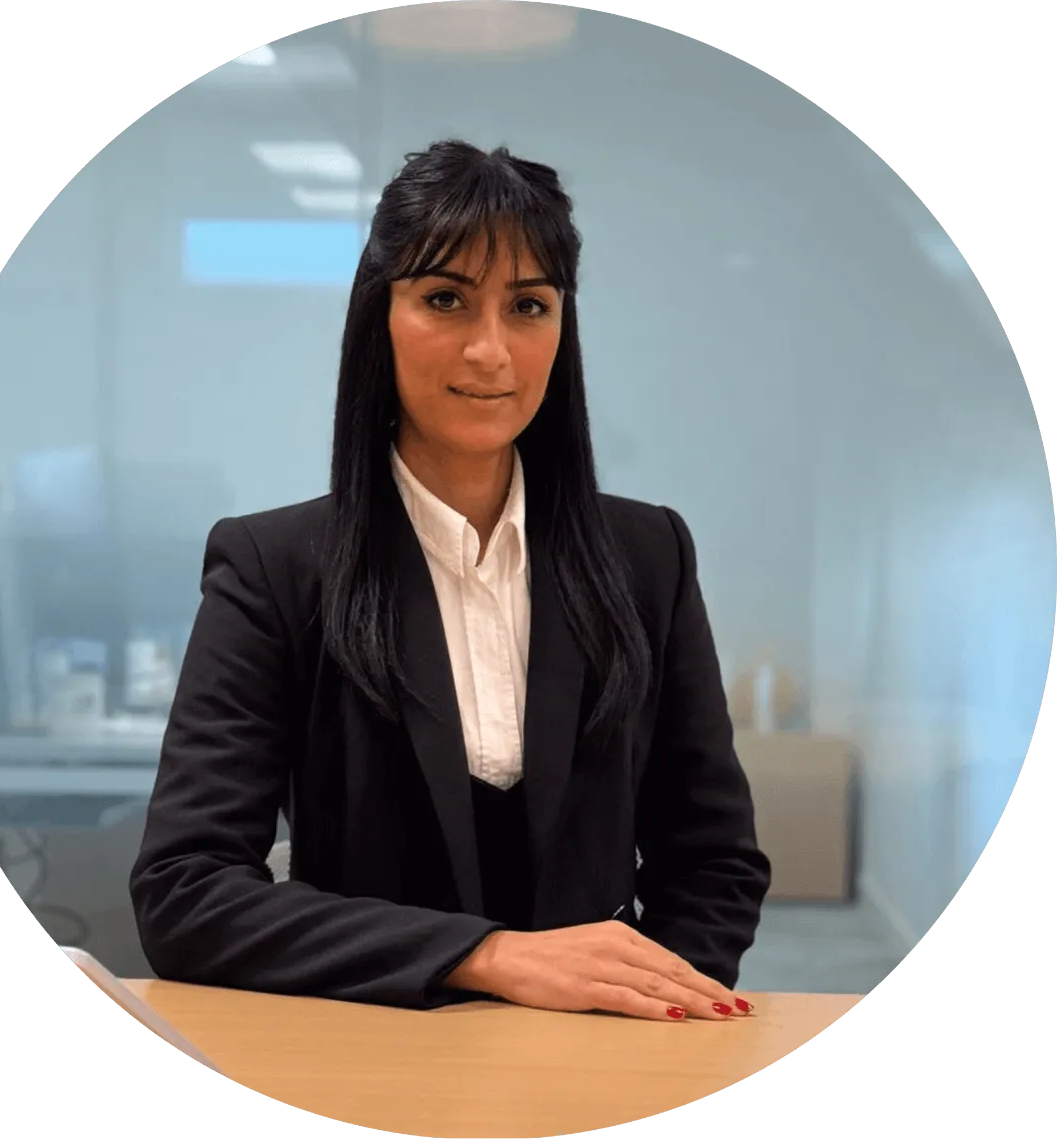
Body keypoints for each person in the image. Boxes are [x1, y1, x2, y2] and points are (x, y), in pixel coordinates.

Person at [130, 139, 771, 1023]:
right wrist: (492, 958)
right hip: (367, 1043)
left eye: (529, 305)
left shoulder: (647, 555)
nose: (490, 351)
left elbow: (714, 861)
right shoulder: (274, 568)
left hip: (600, 1057)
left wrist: (644, 1009)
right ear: (380, 317)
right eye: (445, 299)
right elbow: (185, 891)